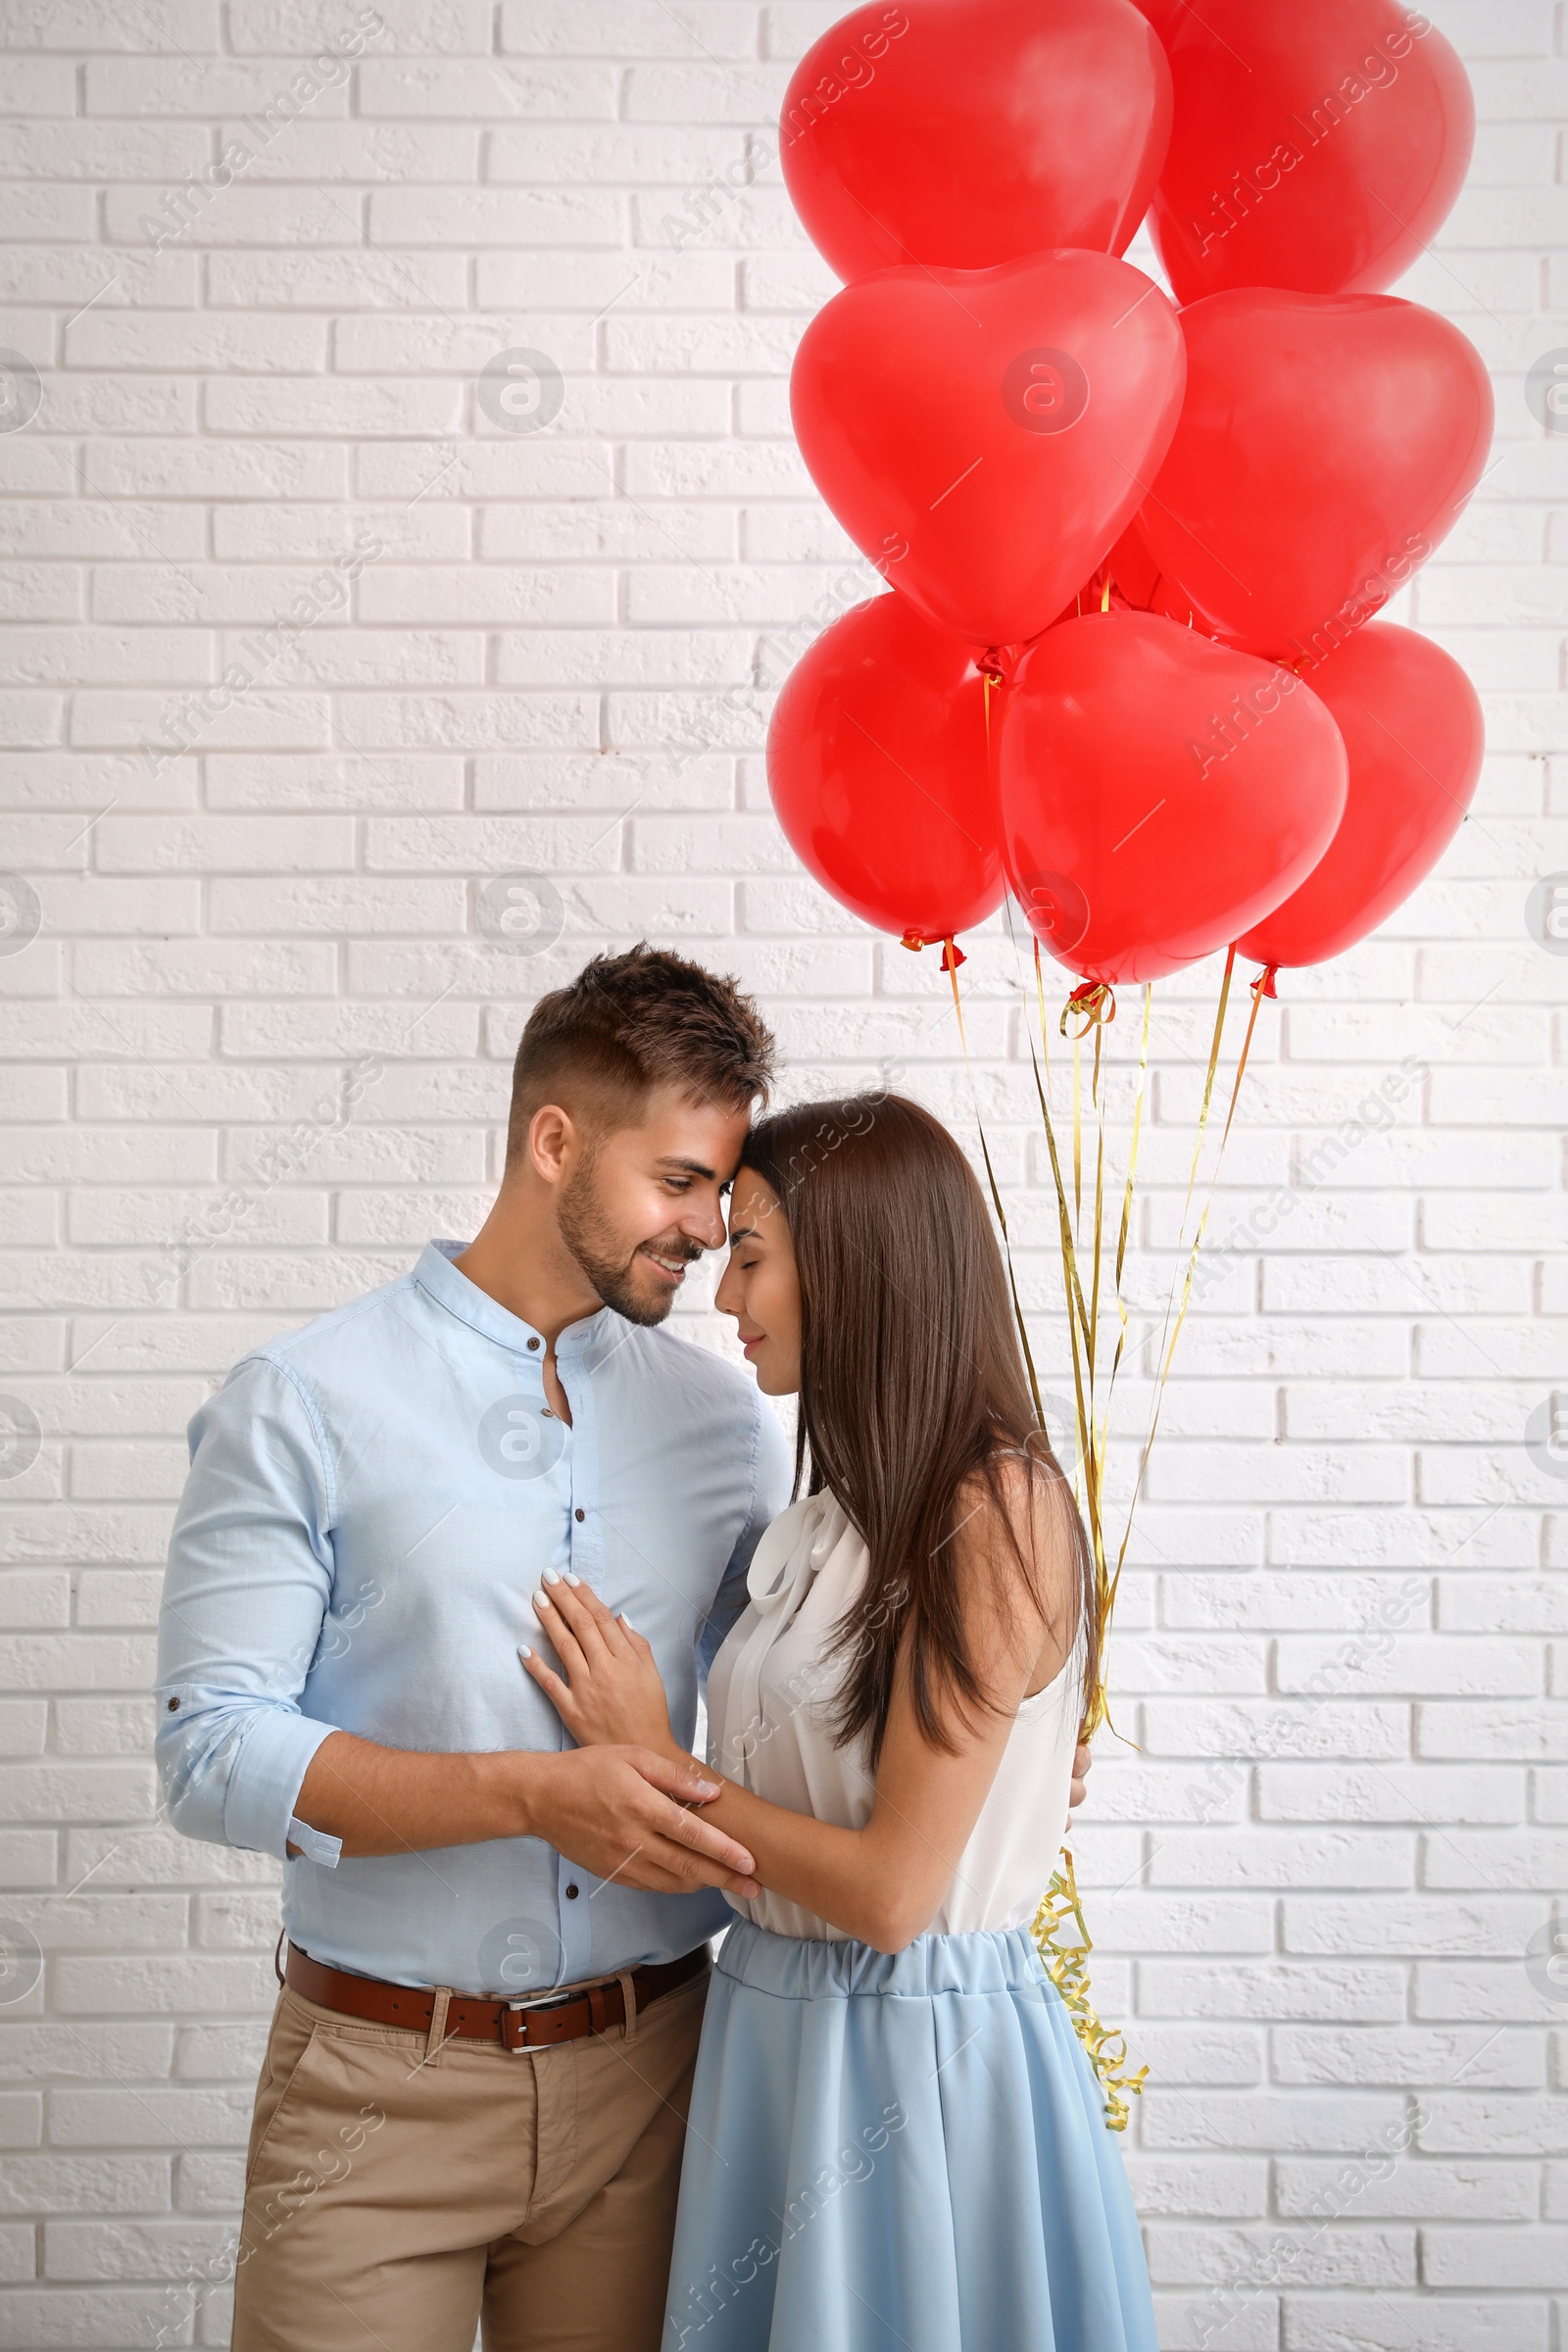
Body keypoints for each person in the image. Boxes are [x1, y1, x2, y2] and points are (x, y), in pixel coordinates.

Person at [521, 1093, 1155, 2352]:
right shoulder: (825, 1522)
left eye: (750, 1256)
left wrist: (652, 1763)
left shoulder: (998, 1509)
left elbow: (890, 1897)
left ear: (860, 1261)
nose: (722, 1298)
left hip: (906, 2056)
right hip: (771, 2031)